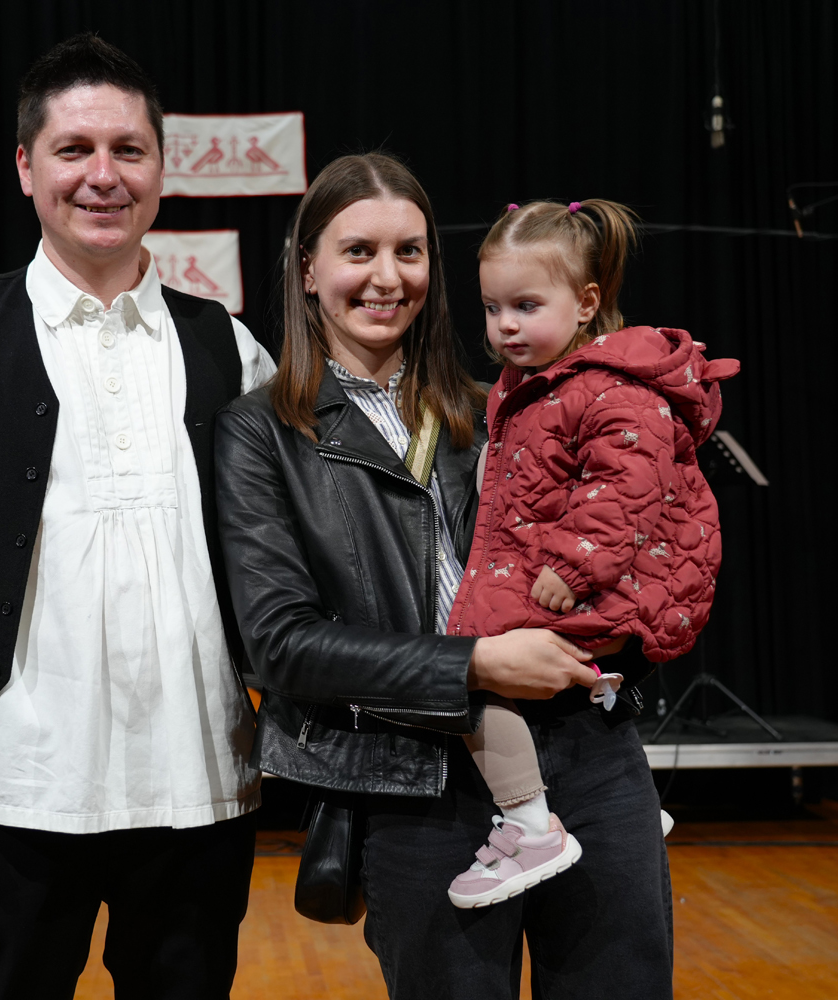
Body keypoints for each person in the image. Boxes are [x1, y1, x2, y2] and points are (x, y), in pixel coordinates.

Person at [0, 33, 275, 1000]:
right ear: (25, 166)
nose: (102, 175)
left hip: (200, 783)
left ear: (162, 167)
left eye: (128, 150)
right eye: (73, 149)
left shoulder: (231, 347)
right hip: (12, 785)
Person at [214, 152, 609, 1000]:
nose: (388, 278)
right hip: (413, 782)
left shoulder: (498, 404)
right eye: (359, 251)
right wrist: (476, 666)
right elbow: (281, 644)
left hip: (582, 755)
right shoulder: (260, 432)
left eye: (410, 251)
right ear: (308, 267)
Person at [443, 199, 738, 910]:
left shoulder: (610, 387)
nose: (506, 325)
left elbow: (628, 486)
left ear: (586, 303)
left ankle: (529, 827)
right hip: (567, 573)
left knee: (464, 674)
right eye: (492, 308)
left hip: (600, 581)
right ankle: (621, 813)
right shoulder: (534, 384)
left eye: (526, 305)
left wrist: (575, 566)